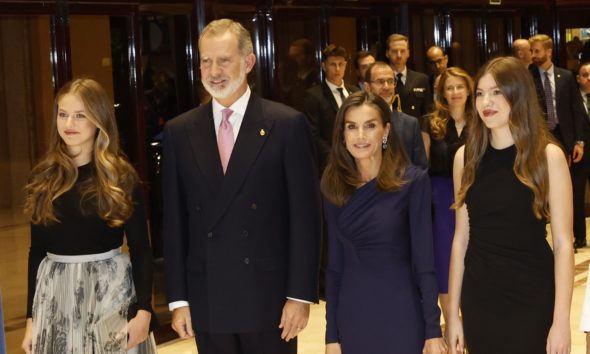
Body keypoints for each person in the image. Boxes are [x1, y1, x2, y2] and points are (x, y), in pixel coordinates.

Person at [162, 19, 321, 354]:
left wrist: (299, 295)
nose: (213, 71)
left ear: (248, 63)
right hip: (208, 296)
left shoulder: (286, 124)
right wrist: (178, 299)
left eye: (224, 60)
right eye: (206, 61)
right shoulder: (180, 131)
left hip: (269, 298)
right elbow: (174, 223)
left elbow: (305, 219)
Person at [446, 56, 574, 354]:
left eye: (496, 92)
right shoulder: (465, 158)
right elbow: (460, 239)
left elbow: (564, 243)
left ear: (518, 94)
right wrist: (452, 315)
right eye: (480, 93)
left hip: (533, 293)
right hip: (480, 295)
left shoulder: (548, 156)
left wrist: (561, 321)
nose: (485, 101)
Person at [21, 78, 157, 353]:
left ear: (99, 120)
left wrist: (144, 311)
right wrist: (30, 319)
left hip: (110, 296)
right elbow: (36, 252)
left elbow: (141, 250)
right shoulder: (43, 178)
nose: (68, 123)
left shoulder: (120, 177)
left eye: (80, 115)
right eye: (63, 114)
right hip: (56, 299)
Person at [322, 91, 446, 354]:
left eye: (370, 126)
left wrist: (433, 330)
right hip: (353, 314)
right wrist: (331, 336)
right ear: (342, 134)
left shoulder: (412, 182)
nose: (361, 136)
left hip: (401, 312)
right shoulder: (333, 186)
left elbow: (425, 263)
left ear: (386, 130)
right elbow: (334, 268)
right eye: (352, 127)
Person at [421, 67, 473, 324]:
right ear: (442, 92)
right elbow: (422, 165)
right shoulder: (430, 123)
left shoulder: (481, 120)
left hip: (475, 198)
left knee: (474, 258)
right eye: (449, 88)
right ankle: (452, 325)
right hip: (441, 202)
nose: (454, 92)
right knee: (445, 261)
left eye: (459, 87)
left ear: (469, 89)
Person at [529, 34, 588, 249]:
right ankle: (541, 237)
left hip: (566, 139)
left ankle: (577, 236)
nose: (533, 55)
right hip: (540, 139)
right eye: (531, 51)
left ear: (549, 51)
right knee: (541, 189)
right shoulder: (528, 76)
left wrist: (579, 142)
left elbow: (577, 110)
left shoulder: (566, 76)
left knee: (571, 189)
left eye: (536, 51)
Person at [304, 44, 360, 174]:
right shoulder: (314, 95)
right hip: (331, 162)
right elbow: (313, 135)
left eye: (341, 64)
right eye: (332, 64)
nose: (337, 69)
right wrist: (336, 157)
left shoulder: (356, 92)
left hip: (358, 157)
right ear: (324, 66)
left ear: (346, 65)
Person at [364, 61, 427, 168]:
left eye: (390, 81)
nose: (386, 87)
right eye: (380, 82)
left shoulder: (410, 124)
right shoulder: (357, 124)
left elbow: (420, 168)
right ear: (367, 87)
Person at [385, 33, 433, 122]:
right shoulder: (382, 81)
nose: (399, 55)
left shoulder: (421, 79)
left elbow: (428, 112)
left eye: (402, 51)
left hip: (415, 131)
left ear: (408, 53)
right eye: (394, 51)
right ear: (387, 53)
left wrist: (424, 133)